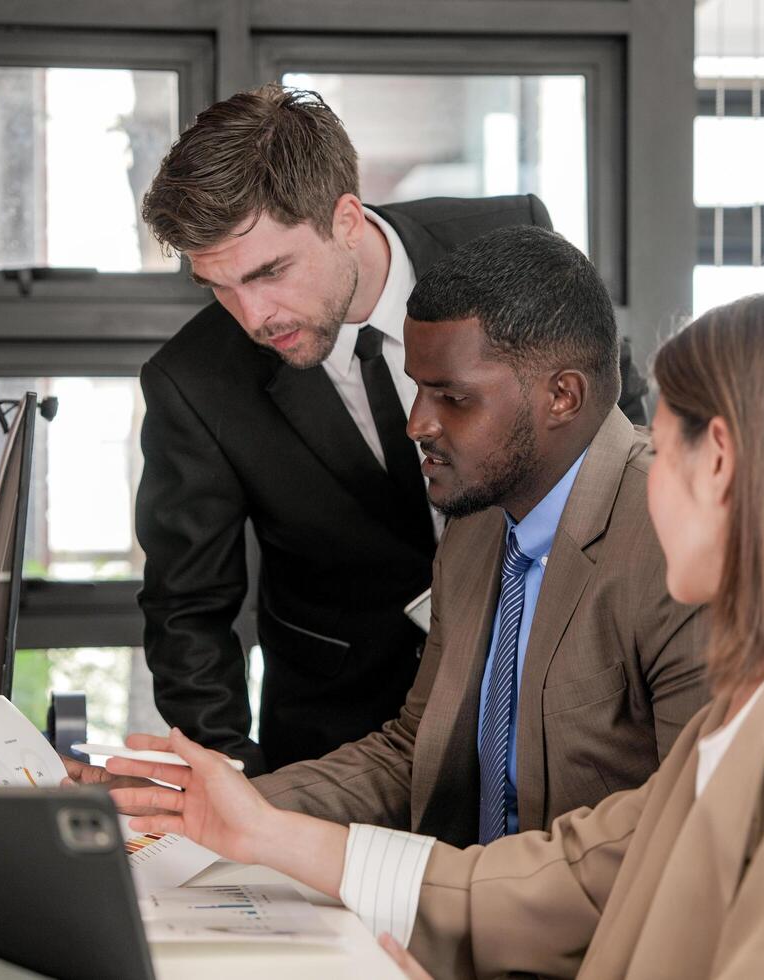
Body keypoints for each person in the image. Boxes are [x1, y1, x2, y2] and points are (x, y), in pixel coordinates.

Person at [107, 291, 764, 980]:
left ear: (716, 459)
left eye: (664, 448)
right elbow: (577, 871)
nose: (647, 480)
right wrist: (260, 830)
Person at [135, 84, 559, 773]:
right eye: (220, 286)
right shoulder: (194, 380)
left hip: (544, 703)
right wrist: (238, 792)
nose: (253, 316)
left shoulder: (510, 243)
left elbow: (610, 440)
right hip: (337, 741)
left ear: (347, 218)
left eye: (270, 271)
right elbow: (187, 613)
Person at [248, 225, 706, 843]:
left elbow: (684, 835)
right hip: (466, 913)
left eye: (452, 397)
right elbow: (417, 752)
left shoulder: (677, 541)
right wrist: (229, 804)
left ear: (563, 396)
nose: (416, 424)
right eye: (418, 388)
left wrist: (431, 887)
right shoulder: (477, 528)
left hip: (594, 932)